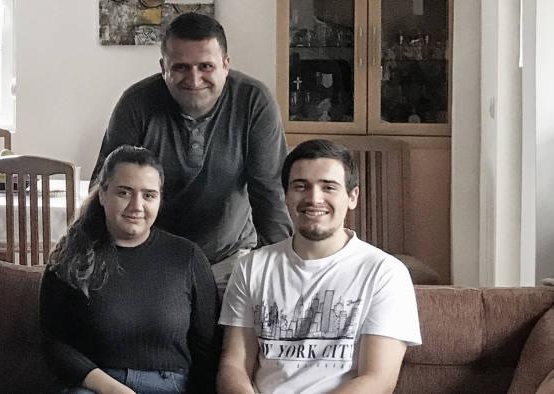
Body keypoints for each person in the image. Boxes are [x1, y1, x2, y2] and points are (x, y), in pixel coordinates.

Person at [90, 12, 292, 285]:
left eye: (206, 67)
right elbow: (105, 189)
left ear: (225, 65)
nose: (194, 80)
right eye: (181, 68)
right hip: (153, 259)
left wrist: (282, 273)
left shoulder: (254, 102)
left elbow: (270, 195)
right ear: (164, 67)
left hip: (230, 258)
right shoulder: (136, 104)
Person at [217, 139, 422, 393]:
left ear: (352, 196)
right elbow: (234, 364)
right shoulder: (251, 267)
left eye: (329, 187)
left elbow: (377, 380)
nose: (314, 198)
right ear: (286, 196)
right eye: (301, 186)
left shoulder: (385, 273)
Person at [41, 145, 219, 394]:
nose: (137, 206)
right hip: (96, 386)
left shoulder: (187, 257)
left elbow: (207, 347)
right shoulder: (71, 255)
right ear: (103, 194)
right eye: (124, 193)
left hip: (170, 386)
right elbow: (53, 342)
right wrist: (111, 389)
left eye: (149, 195)